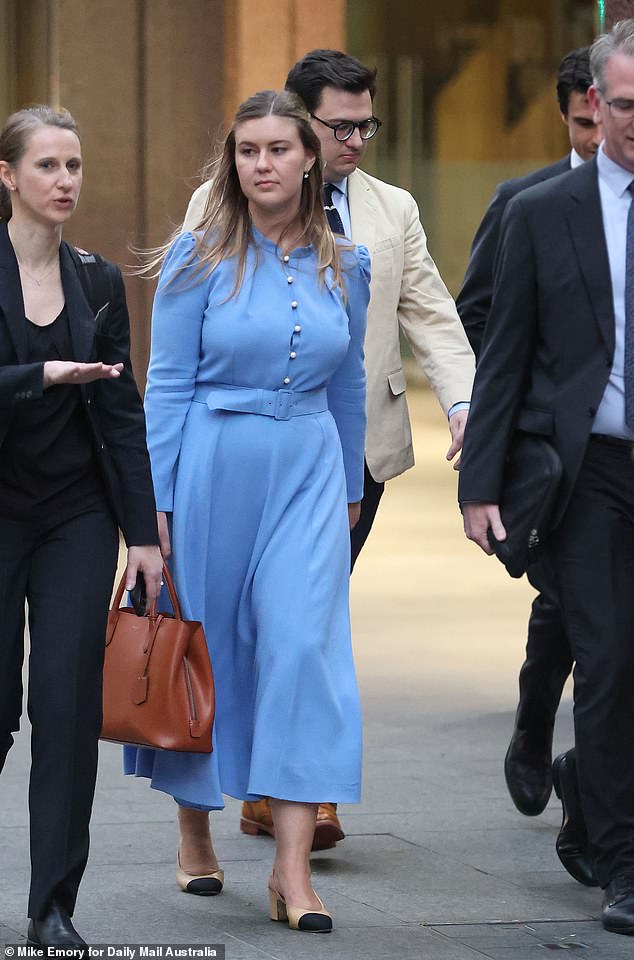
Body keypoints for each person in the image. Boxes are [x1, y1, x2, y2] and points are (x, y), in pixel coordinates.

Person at [185, 48, 475, 852]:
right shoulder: (220, 208)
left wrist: (462, 400)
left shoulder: (392, 210)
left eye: (366, 125)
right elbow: (183, 341)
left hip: (352, 453)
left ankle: (300, 791)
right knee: (253, 627)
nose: (356, 140)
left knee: (305, 624)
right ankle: (266, 790)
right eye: (340, 126)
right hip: (237, 457)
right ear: (303, 126)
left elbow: (431, 312)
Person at [124, 89, 370, 933]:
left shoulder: (350, 263)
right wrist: (149, 505)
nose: (261, 164)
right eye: (246, 151)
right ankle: (194, 830)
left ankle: (292, 873)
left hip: (308, 469)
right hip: (212, 468)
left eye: (277, 149)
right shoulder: (199, 257)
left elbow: (346, 386)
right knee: (208, 648)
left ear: (311, 158)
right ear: (233, 164)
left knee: (305, 651)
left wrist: (349, 493)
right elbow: (167, 385)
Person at [458, 19, 634, 936]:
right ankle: (623, 860)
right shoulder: (538, 212)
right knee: (606, 660)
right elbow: (505, 353)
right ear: (594, 105)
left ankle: (581, 779)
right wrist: (479, 481)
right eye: (627, 104)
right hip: (589, 470)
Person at [0, 106, 162, 948]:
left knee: (65, 709)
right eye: (48, 166)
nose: (66, 181)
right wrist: (38, 375)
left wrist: (142, 532)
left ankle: (52, 907)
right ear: (9, 177)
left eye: (75, 165)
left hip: (77, 517)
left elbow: (121, 410)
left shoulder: (97, 280)